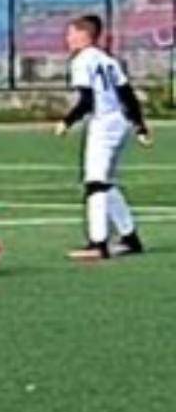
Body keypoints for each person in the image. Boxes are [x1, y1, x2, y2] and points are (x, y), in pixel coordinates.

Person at [56, 14, 152, 261]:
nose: (67, 38)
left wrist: (67, 121)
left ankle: (98, 243)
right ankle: (130, 238)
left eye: (71, 33)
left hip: (104, 124)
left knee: (95, 183)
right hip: (119, 122)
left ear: (84, 35)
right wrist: (139, 125)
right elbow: (127, 94)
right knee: (106, 181)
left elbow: (87, 101)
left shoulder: (82, 61)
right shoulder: (107, 59)